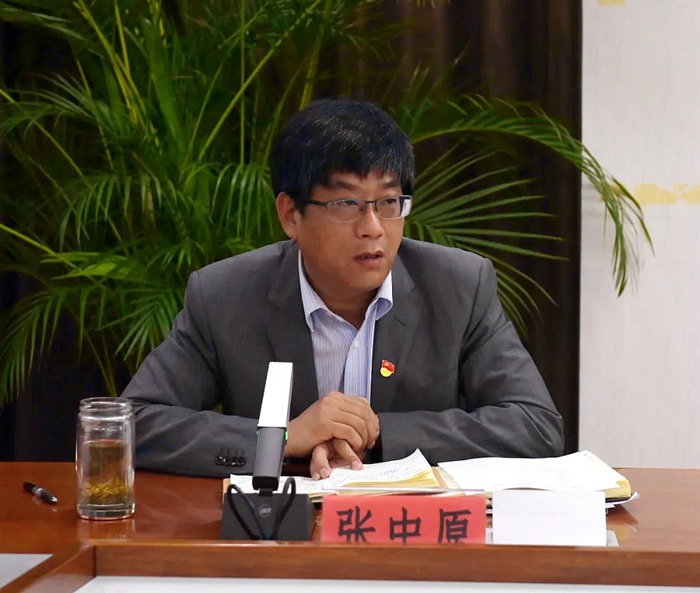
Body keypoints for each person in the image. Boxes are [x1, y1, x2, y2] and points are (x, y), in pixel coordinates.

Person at [122, 98, 564, 479]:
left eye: (388, 202)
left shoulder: (459, 287)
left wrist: (377, 433)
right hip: (280, 535)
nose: (373, 228)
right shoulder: (225, 295)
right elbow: (132, 424)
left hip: (412, 535)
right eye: (346, 204)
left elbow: (535, 424)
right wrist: (282, 437)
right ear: (290, 215)